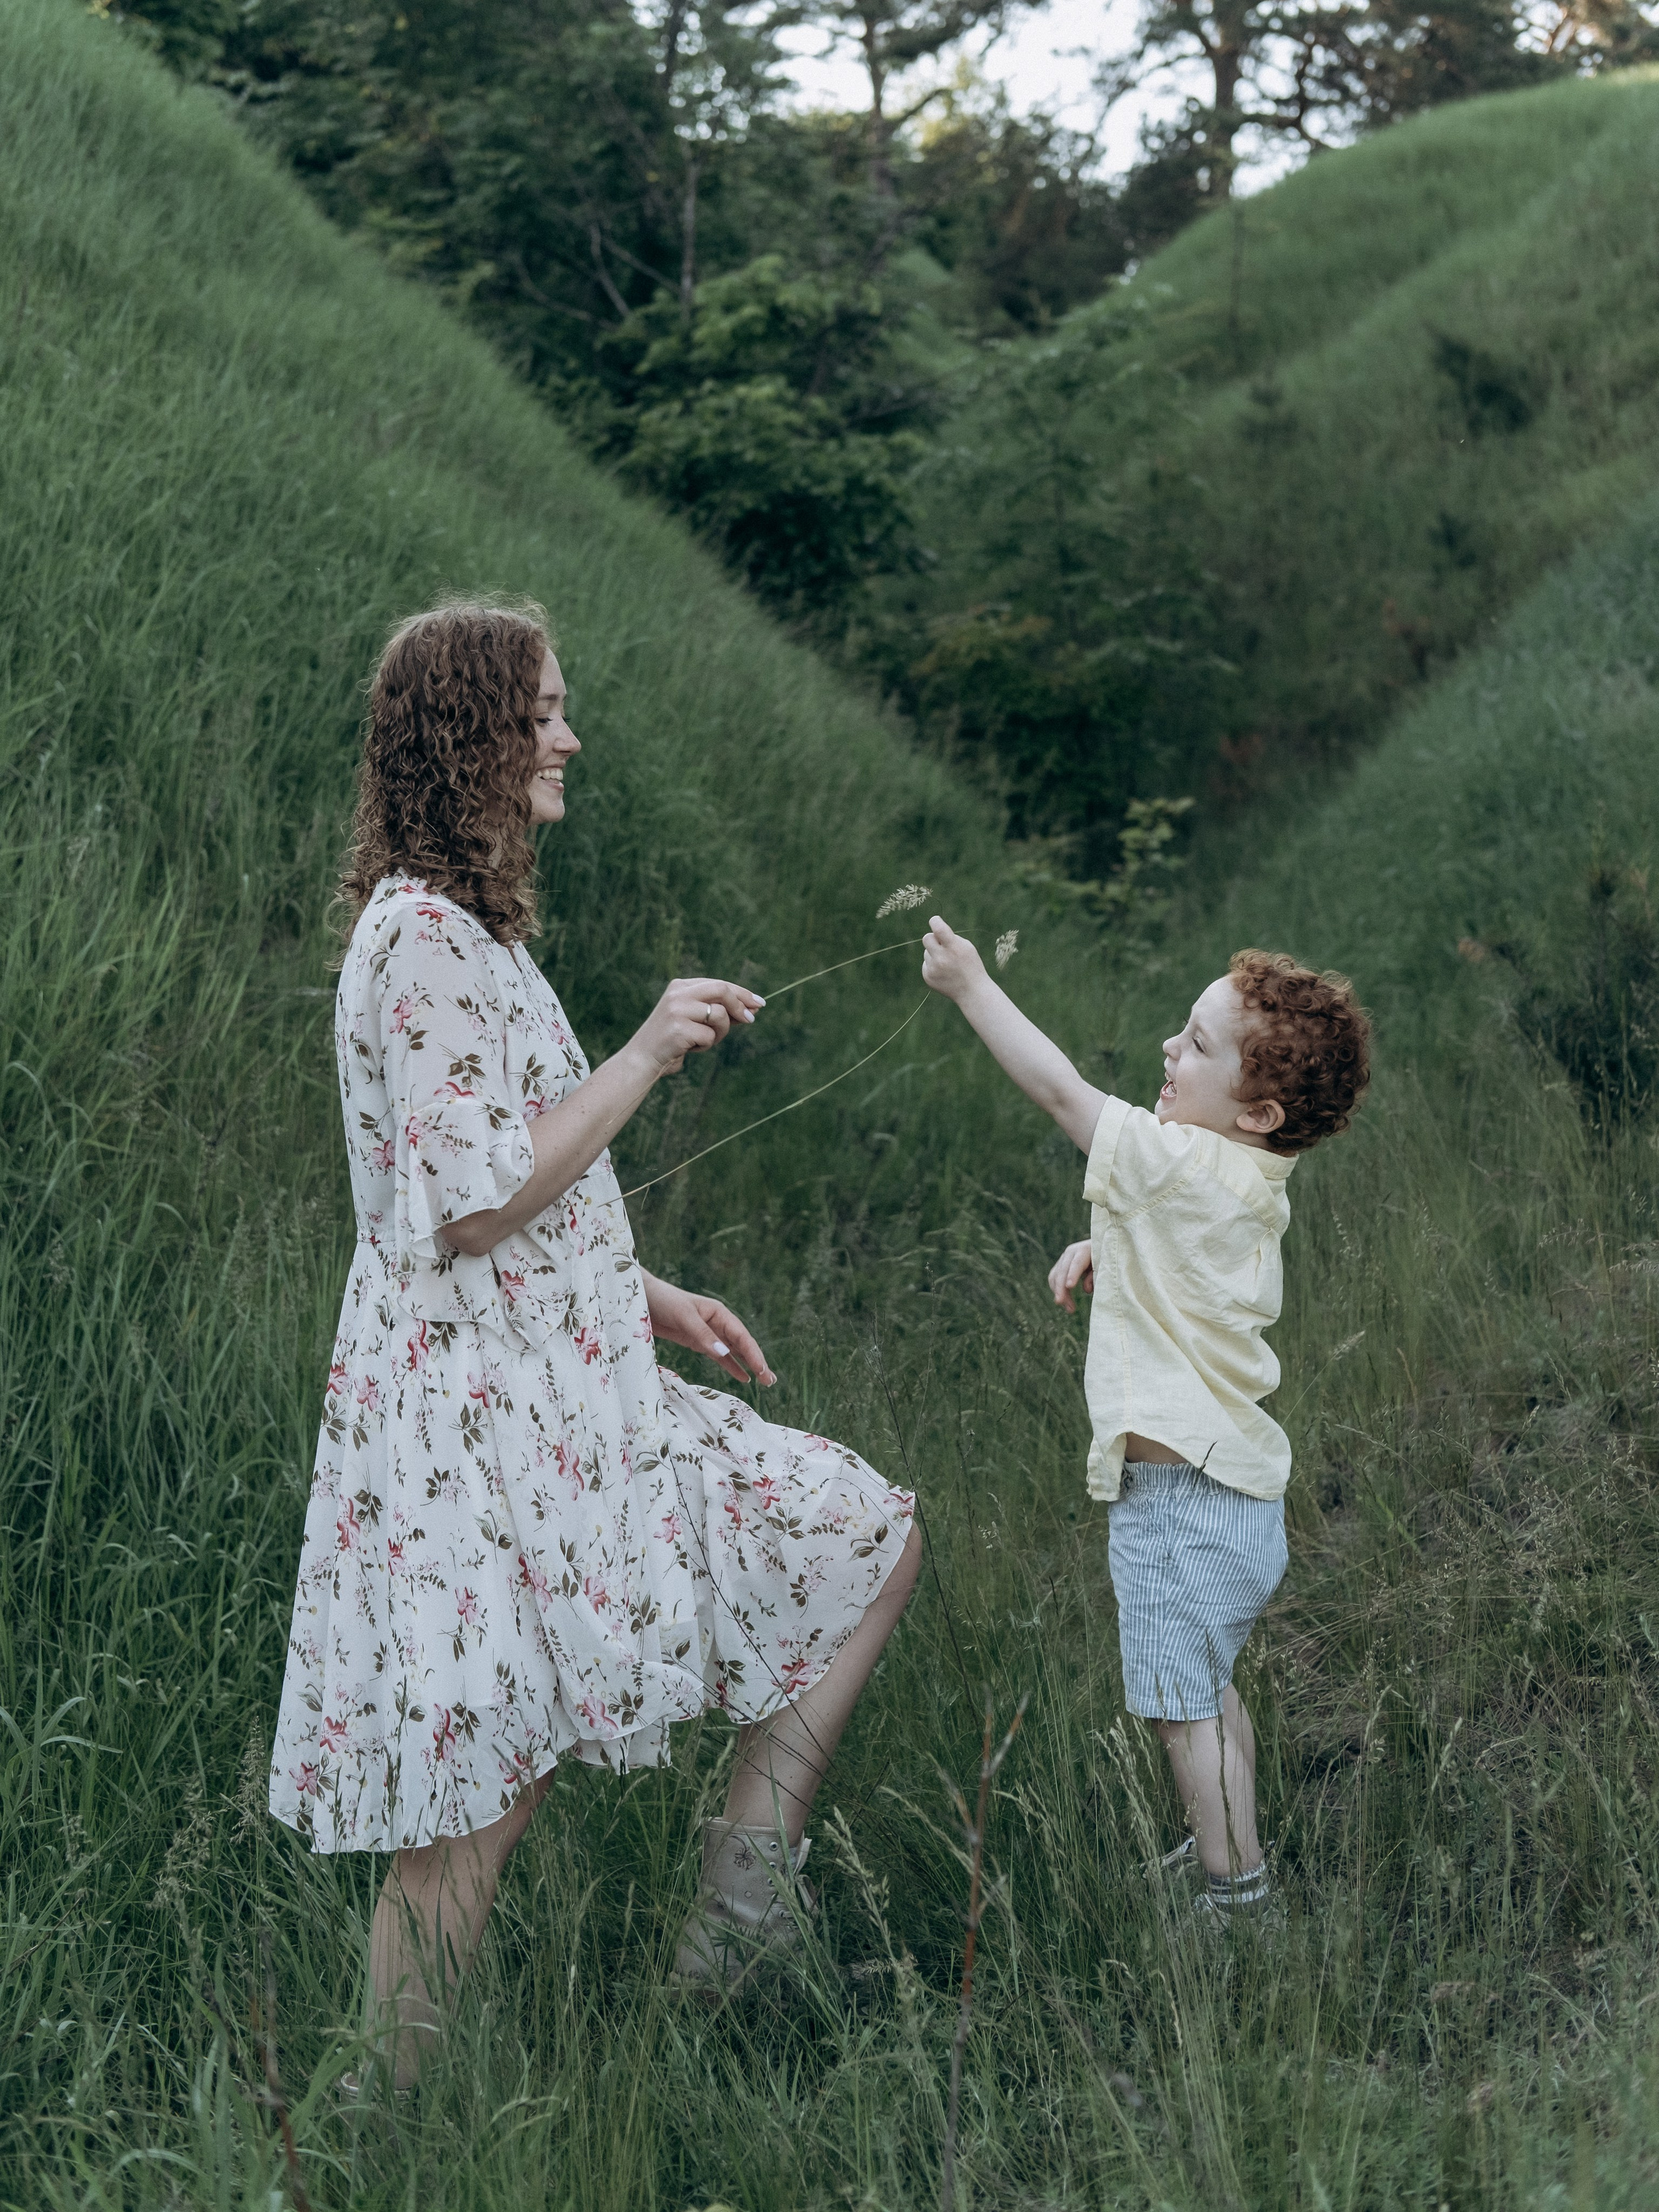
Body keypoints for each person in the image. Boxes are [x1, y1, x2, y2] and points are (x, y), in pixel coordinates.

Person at [270, 601, 920, 2081]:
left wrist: (650, 1295)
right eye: (544, 712)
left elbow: (499, 1188)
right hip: (474, 1434)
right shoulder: (422, 941)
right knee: (472, 1818)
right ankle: (381, 2138)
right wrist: (643, 1048)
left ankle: (739, 1919)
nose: (567, 737)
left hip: (563, 1389)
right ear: (473, 737)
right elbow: (471, 1204)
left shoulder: (466, 935)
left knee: (859, 1537)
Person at [921, 918, 1369, 1926]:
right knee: (1212, 1693)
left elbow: (1059, 1090)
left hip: (1182, 1507)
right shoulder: (1248, 1178)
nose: (1171, 1050)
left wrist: (971, 987)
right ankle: (1226, 1841)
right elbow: (1188, 1263)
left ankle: (1236, 1891)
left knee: (1181, 1709)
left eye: (1198, 1046)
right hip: (1236, 1499)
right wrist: (1106, 1248)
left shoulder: (1179, 1161)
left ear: (1257, 1110)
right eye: (1184, 1029)